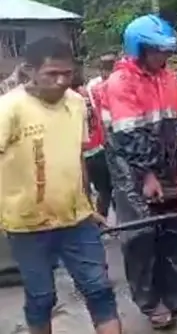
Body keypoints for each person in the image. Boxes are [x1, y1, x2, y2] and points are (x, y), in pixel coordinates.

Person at [0, 37, 121, 334]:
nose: (60, 81)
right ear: (29, 71)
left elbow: (75, 155)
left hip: (76, 219)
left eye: (66, 74)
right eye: (51, 74)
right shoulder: (9, 108)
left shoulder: (77, 103)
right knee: (41, 297)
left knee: (99, 289)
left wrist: (86, 202)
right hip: (26, 224)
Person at [104, 14, 177, 330]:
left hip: (170, 164)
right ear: (139, 49)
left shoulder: (169, 79)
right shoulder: (119, 83)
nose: (164, 57)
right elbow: (128, 137)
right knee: (143, 235)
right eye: (157, 50)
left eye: (166, 51)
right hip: (132, 170)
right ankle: (150, 302)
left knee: (175, 231)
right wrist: (148, 176)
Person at [79, 54, 116, 220]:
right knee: (105, 187)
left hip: (102, 140)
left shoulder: (110, 83)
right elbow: (96, 113)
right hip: (98, 142)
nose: (105, 72)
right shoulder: (93, 87)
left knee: (110, 186)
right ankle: (101, 221)